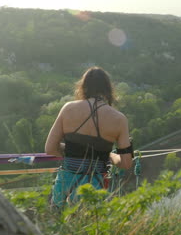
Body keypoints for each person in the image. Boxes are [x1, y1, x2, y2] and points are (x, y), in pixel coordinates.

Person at [45, 67, 133, 208]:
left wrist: (70, 151)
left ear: (83, 87)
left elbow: (50, 148)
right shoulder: (119, 119)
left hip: (66, 188)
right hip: (95, 188)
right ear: (108, 89)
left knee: (60, 223)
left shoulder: (68, 109)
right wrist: (110, 155)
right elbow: (126, 163)